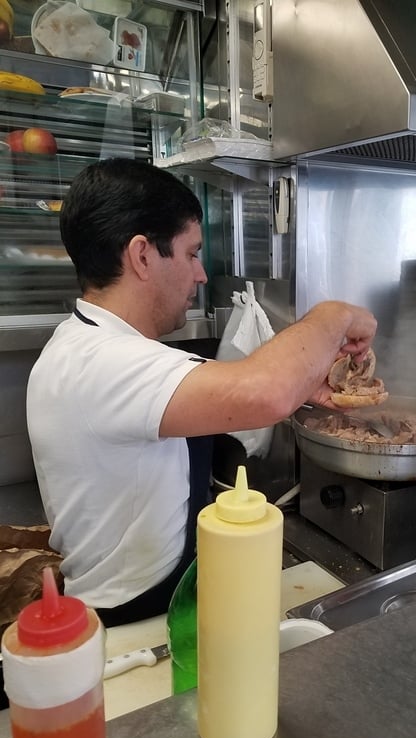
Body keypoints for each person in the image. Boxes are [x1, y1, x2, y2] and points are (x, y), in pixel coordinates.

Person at [26, 158, 377, 627]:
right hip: (134, 619)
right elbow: (263, 392)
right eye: (191, 254)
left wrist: (302, 385)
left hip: (149, 599)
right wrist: (332, 315)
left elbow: (243, 392)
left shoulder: (90, 346)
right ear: (142, 256)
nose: (201, 275)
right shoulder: (103, 361)